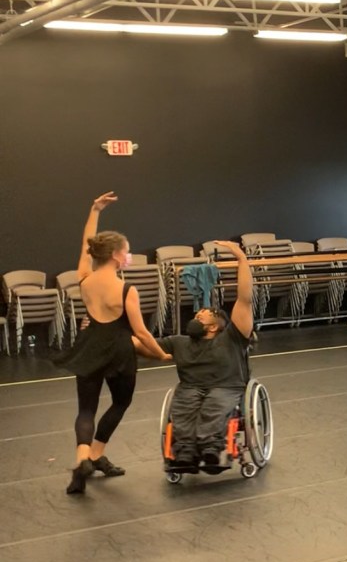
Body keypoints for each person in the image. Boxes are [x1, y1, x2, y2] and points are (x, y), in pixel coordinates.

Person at [58, 192, 172, 495]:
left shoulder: (84, 279)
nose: (129, 255)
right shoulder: (126, 290)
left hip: (90, 347)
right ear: (116, 256)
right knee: (120, 402)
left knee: (86, 410)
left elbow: (86, 245)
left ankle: (85, 459)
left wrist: (94, 210)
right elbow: (142, 333)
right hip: (120, 352)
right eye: (128, 251)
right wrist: (161, 354)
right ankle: (96, 454)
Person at [150, 241, 254, 473]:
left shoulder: (233, 337)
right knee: (184, 408)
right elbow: (145, 345)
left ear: (217, 325)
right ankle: (185, 452)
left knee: (213, 408)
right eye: (196, 314)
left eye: (203, 314)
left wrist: (241, 258)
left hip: (226, 386)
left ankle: (211, 450)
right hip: (191, 387)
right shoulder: (180, 342)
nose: (197, 315)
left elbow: (245, 299)